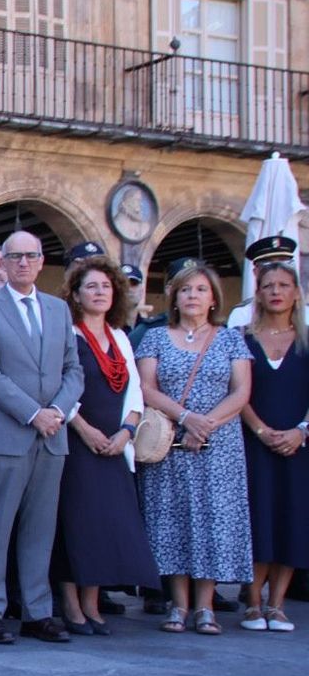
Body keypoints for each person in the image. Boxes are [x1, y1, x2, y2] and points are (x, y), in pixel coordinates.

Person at [0, 231, 83, 644]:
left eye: (29, 256)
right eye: (13, 257)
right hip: (7, 434)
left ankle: (37, 611)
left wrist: (56, 413)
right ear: (3, 263)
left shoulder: (58, 309)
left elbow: (74, 369)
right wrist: (34, 413)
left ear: (40, 261)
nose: (21, 264)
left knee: (41, 527)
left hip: (53, 435)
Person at [135, 259, 253, 635]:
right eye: (185, 289)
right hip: (170, 442)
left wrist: (206, 425)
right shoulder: (155, 336)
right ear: (174, 295)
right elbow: (147, 387)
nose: (192, 296)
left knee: (212, 522)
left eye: (201, 289)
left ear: (214, 298)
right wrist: (186, 418)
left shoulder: (231, 338)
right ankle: (178, 605)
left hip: (219, 446)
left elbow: (242, 391)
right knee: (172, 522)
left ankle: (206, 607)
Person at [52, 256, 159, 635]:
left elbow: (134, 393)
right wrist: (82, 427)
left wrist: (127, 432)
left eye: (106, 287)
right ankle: (70, 602)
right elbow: (58, 386)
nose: (100, 293)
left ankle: (93, 603)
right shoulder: (68, 334)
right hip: (78, 443)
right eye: (91, 287)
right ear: (76, 295)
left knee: (105, 525)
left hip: (114, 444)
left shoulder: (121, 338)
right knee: (75, 523)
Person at [240, 260, 309, 633]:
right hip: (254, 445)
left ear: (296, 293)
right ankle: (252, 603)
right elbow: (238, 391)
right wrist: (261, 430)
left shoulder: (307, 340)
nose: (277, 291)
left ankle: (277, 604)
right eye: (269, 285)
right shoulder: (242, 338)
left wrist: (302, 430)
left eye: (284, 285)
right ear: (260, 293)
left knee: (291, 520)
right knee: (257, 519)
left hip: (299, 448)